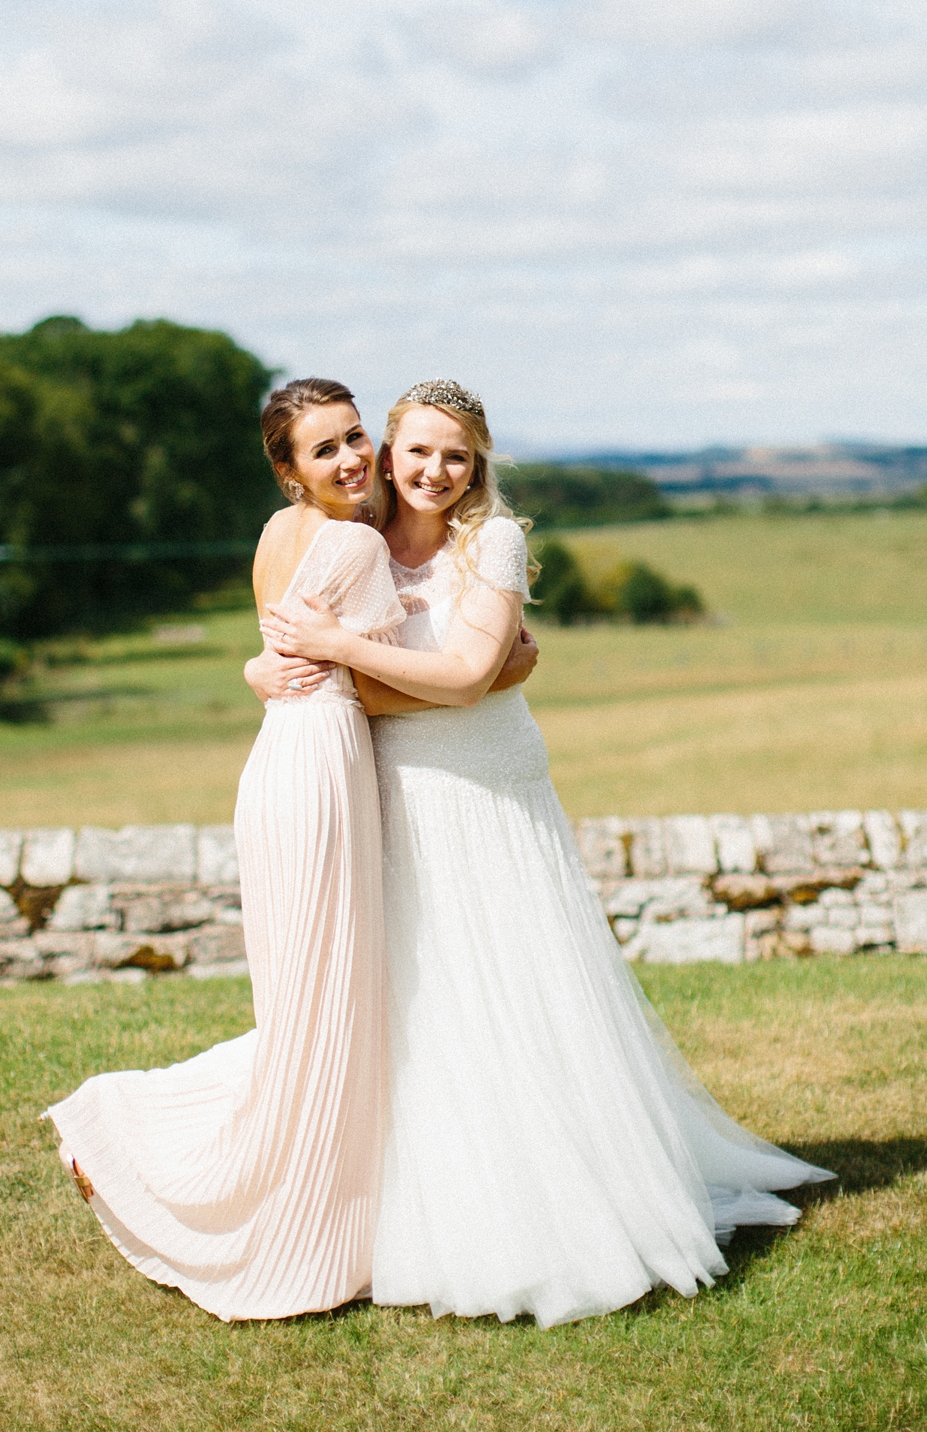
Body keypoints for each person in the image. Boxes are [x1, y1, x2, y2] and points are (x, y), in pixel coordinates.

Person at [260, 378, 835, 1329]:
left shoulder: (494, 541)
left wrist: (357, 655)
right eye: (417, 452)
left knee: (519, 986)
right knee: (423, 991)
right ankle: (424, 1202)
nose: (435, 471)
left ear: (477, 459)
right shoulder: (346, 529)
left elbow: (462, 676)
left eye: (457, 454)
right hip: (397, 788)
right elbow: (294, 666)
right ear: (390, 455)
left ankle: (562, 1201)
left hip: (489, 786)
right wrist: (279, 664)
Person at [46, 377, 407, 1321]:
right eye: (324, 449)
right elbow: (387, 685)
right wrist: (490, 670)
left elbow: (278, 655)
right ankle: (279, 1209)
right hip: (323, 767)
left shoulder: (271, 535)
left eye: (355, 436)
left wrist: (265, 669)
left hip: (277, 765)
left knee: (302, 998)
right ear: (288, 470)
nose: (351, 458)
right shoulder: (361, 542)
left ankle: (230, 1171)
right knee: (329, 999)